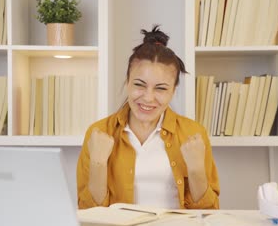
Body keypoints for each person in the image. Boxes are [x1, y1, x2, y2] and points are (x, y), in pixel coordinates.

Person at [77, 25, 219, 209]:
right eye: (139, 85)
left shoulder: (194, 133)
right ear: (127, 82)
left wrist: (196, 169)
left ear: (173, 91)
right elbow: (88, 213)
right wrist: (98, 163)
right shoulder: (99, 133)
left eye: (160, 88)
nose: (148, 97)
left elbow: (209, 212)